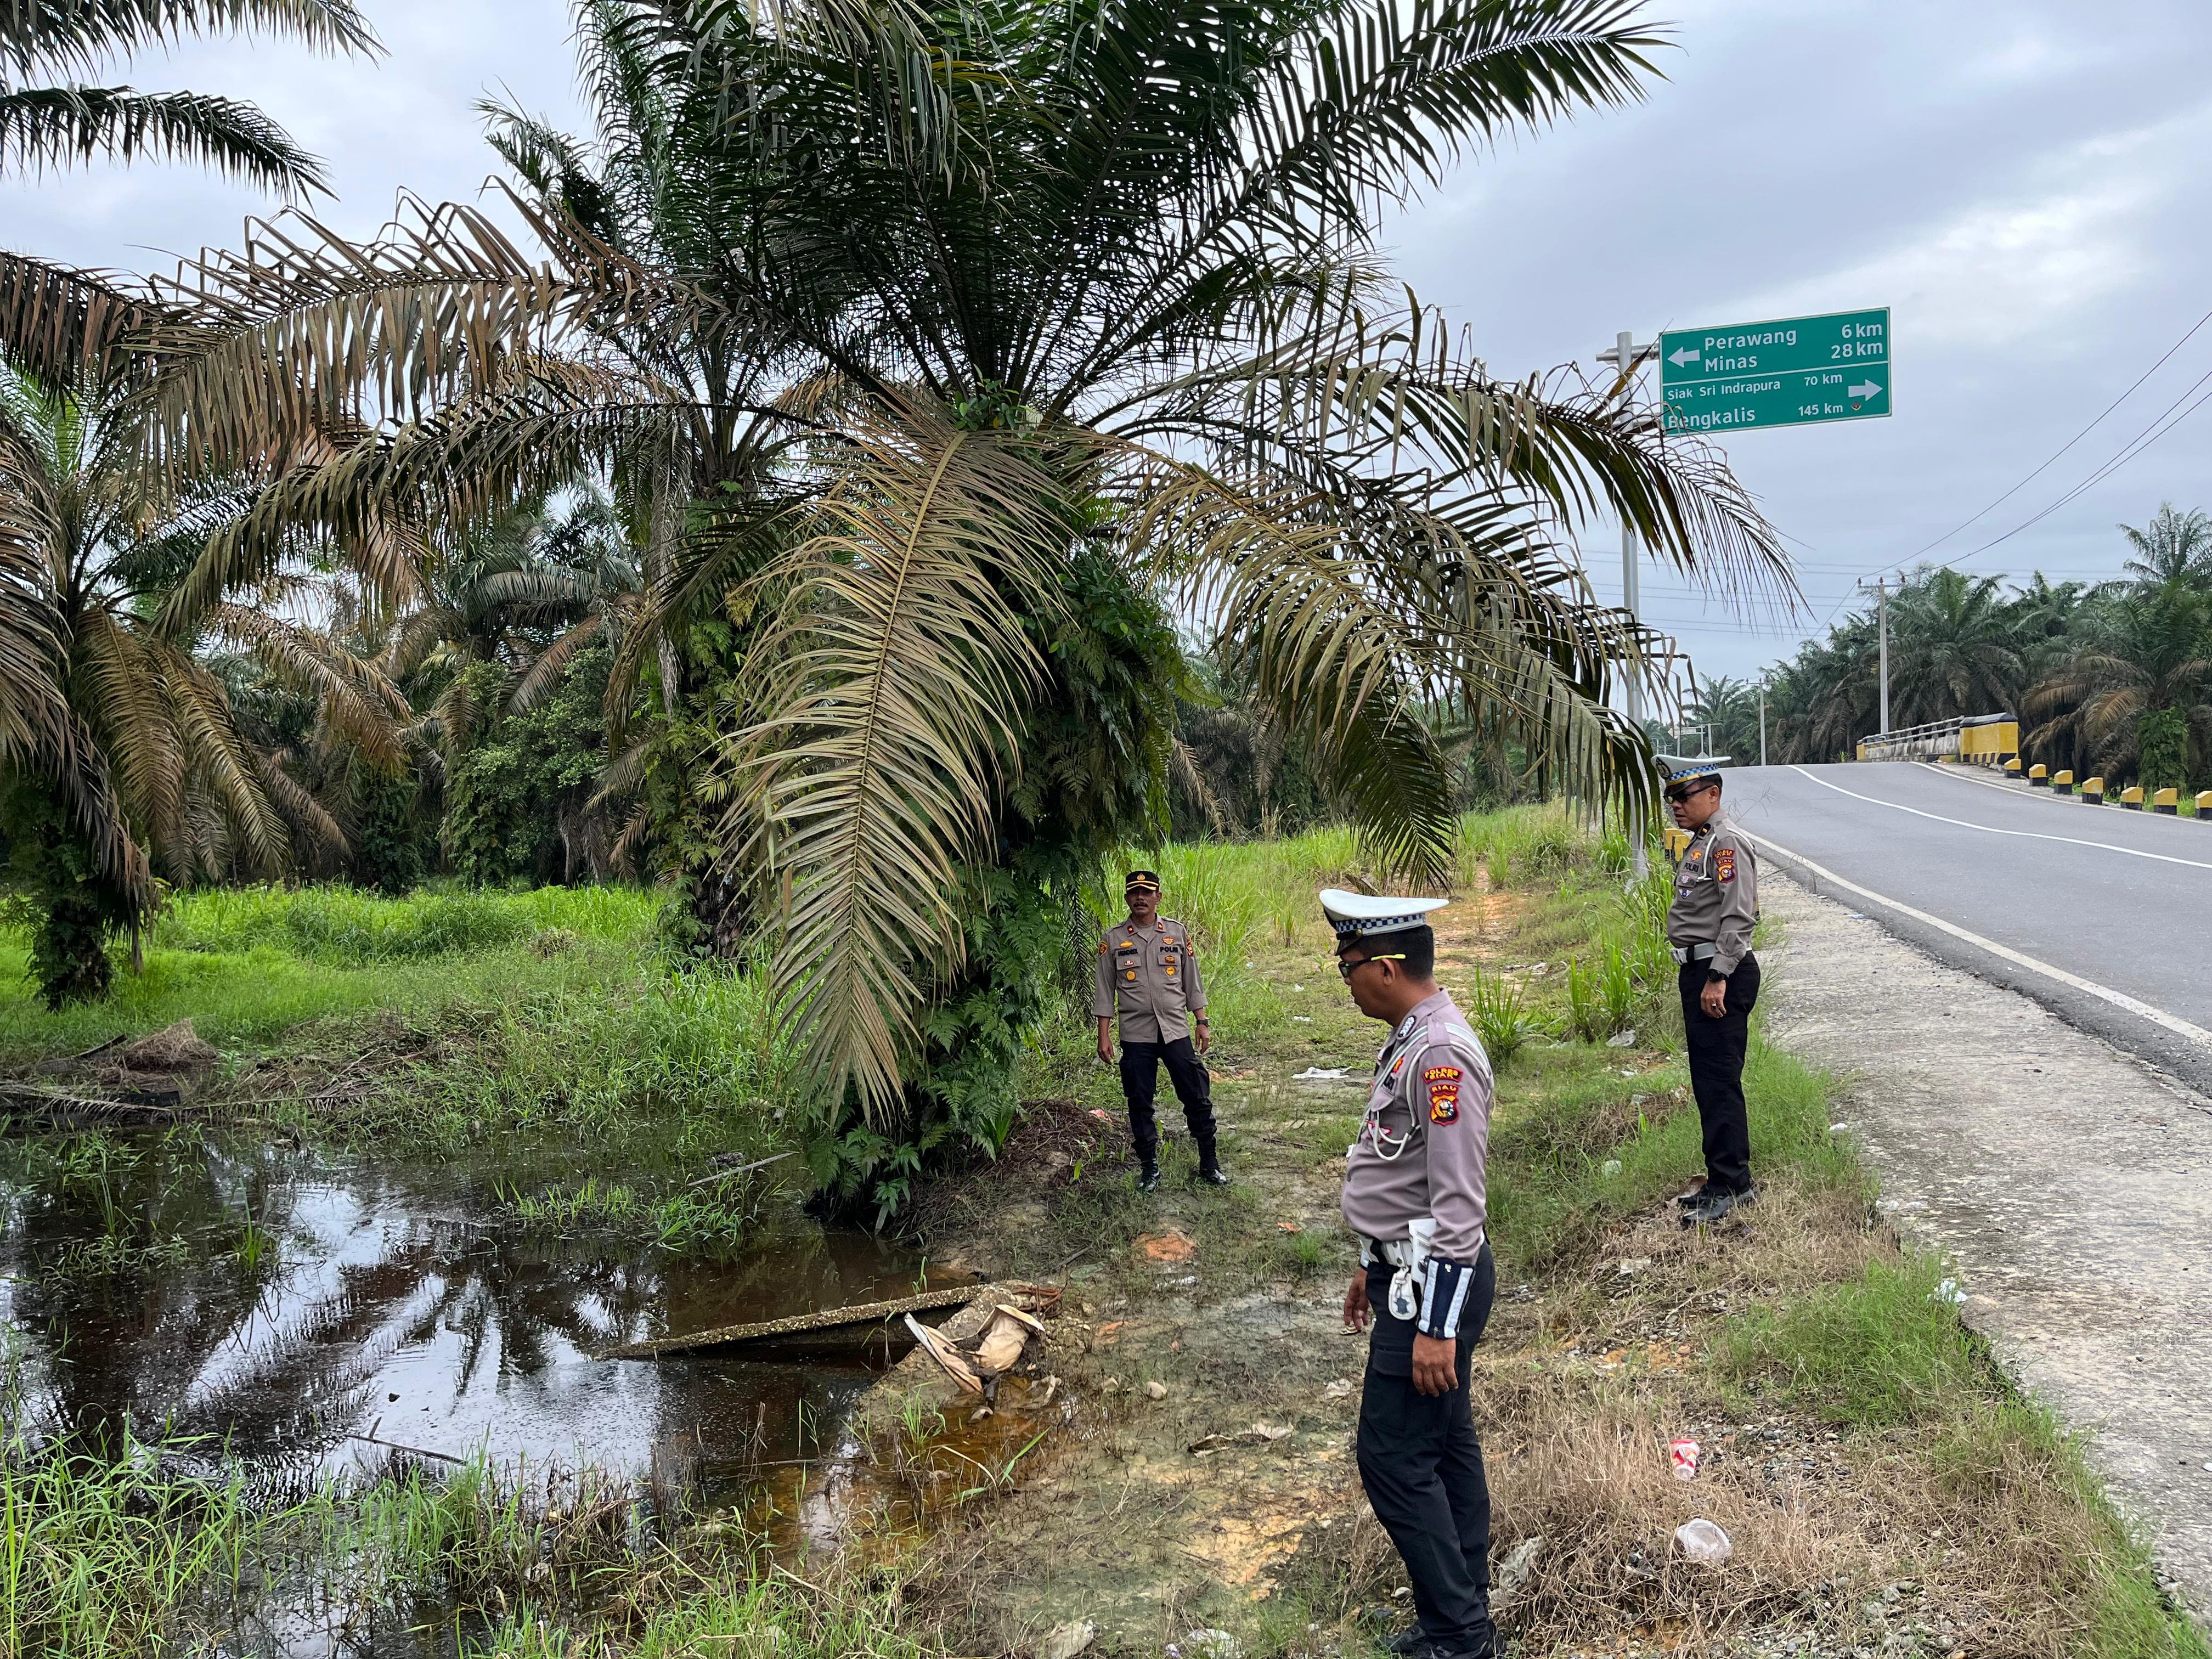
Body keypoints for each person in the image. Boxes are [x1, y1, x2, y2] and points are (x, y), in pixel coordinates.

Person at [1327, 888, 1499, 1659]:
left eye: (1350, 964)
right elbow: (1403, 1173)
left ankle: (1461, 1638)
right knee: (1444, 1443)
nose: (1346, 978)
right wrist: (1372, 1261)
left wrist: (1437, 1326)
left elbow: (1459, 1207)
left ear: (1388, 968)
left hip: (1437, 1284)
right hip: (1408, 1273)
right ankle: (1463, 1612)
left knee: (1393, 1459)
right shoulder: (1411, 1036)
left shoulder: (1440, 1058)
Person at [1659, 754, 1762, 1225]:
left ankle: (1734, 1185)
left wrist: (1718, 977)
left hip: (1719, 975)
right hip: (1700, 974)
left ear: (1713, 795)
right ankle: (1719, 1180)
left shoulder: (1725, 845)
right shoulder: (1702, 843)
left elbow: (1739, 917)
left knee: (1719, 1081)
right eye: (1671, 799)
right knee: (1708, 1081)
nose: (1676, 806)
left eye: (1684, 796)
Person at [1094, 870, 1227, 1191]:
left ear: (1158, 897)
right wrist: (1104, 1033)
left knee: (1196, 1094)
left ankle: (1209, 1163)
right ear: (1127, 898)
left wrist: (1202, 1021)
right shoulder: (1113, 939)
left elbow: (1191, 980)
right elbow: (1104, 989)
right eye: (1134, 893)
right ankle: (1149, 1169)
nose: (1140, 898)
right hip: (1136, 1034)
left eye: (1147, 892)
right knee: (1139, 1100)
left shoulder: (1177, 933)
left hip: (1175, 1029)